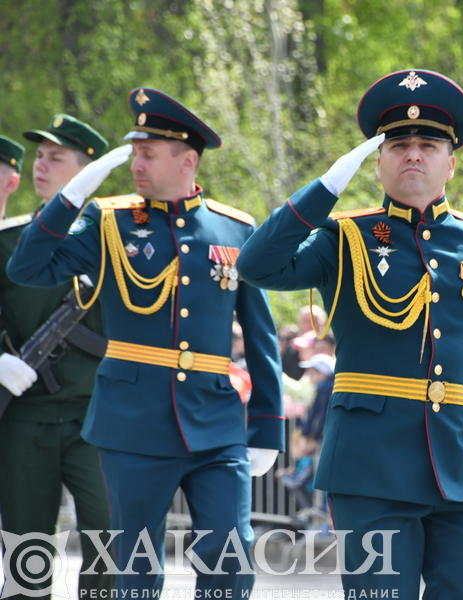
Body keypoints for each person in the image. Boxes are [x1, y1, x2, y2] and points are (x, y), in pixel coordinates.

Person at [235, 70, 463, 599]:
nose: (412, 154)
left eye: (428, 144)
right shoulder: (344, 235)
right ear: (378, 160)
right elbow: (257, 265)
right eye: (398, 144)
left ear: (451, 162)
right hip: (371, 470)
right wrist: (323, 190)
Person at [7, 89, 284, 595]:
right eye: (134, 152)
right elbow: (27, 267)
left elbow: (260, 336)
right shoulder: (107, 220)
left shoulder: (237, 228)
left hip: (216, 423)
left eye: (148, 154)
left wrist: (267, 426)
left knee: (231, 559)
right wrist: (73, 198)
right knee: (135, 571)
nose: (135, 164)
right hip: (132, 425)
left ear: (188, 159)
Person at [0, 120, 115, 600]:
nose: (41, 167)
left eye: (57, 158)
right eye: (40, 157)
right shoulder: (8, 240)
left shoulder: (118, 240)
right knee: (27, 554)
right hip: (26, 418)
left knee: (111, 541)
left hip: (100, 417)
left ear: (87, 171)